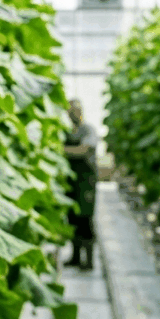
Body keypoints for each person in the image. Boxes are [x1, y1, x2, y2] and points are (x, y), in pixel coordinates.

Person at [63, 98, 98, 270]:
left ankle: (89, 260)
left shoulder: (88, 130)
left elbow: (83, 150)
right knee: (72, 218)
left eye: (75, 110)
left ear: (81, 111)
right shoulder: (67, 131)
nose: (72, 114)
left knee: (85, 219)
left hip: (86, 182)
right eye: (69, 111)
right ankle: (75, 257)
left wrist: (60, 150)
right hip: (71, 181)